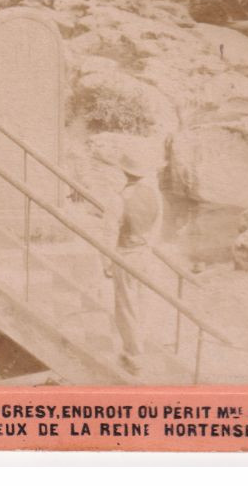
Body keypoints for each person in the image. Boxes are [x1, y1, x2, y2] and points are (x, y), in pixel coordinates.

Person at [105, 142, 163, 375]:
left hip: (126, 256)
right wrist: (148, 246)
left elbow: (109, 232)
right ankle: (140, 345)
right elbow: (158, 226)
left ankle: (133, 353)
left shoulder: (118, 198)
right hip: (146, 255)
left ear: (123, 172)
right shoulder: (155, 195)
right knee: (143, 303)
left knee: (126, 305)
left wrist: (107, 262)